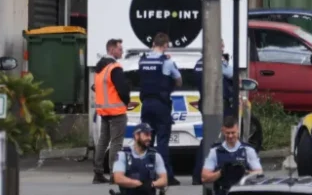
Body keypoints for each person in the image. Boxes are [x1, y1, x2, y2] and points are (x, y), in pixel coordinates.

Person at [139, 33, 183, 186]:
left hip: (145, 105)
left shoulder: (143, 60)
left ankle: (146, 174)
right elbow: (179, 81)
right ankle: (166, 176)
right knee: (162, 142)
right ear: (165, 45)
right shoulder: (167, 62)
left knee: (146, 141)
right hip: (161, 105)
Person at [192, 42, 235, 185]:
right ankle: (207, 173)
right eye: (220, 45)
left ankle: (199, 173)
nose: (222, 48)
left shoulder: (198, 64)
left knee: (207, 138)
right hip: (217, 105)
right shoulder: (215, 62)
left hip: (205, 103)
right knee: (216, 139)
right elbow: (231, 73)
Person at [201, 115, 263, 195]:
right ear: (223, 131)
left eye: (233, 133)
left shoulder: (247, 150)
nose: (230, 136)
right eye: (227, 133)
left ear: (238, 130)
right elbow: (204, 177)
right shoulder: (215, 151)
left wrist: (244, 172)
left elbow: (259, 173)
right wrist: (221, 172)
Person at [92, 38, 130, 184]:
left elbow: (96, 88)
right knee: (116, 143)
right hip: (117, 111)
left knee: (103, 142)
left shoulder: (100, 68)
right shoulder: (114, 68)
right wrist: (125, 102)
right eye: (120, 49)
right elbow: (123, 89)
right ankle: (115, 174)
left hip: (104, 112)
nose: (122, 51)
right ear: (112, 49)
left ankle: (98, 173)